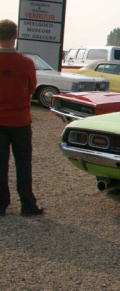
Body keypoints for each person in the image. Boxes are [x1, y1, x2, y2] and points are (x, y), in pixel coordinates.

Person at [0, 19, 43, 216]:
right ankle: (27, 203)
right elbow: (32, 89)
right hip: (20, 121)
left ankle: (1, 204)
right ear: (15, 36)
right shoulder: (26, 63)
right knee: (23, 163)